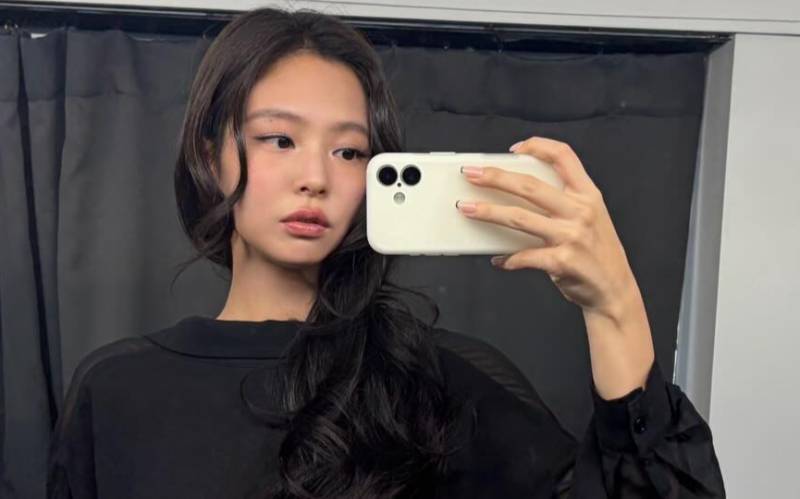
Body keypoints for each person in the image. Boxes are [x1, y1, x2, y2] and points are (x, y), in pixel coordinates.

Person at [47, 7, 725, 499]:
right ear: (210, 153)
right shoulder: (115, 390)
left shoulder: (433, 379)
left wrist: (614, 305)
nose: (316, 177)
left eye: (349, 151)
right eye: (279, 139)